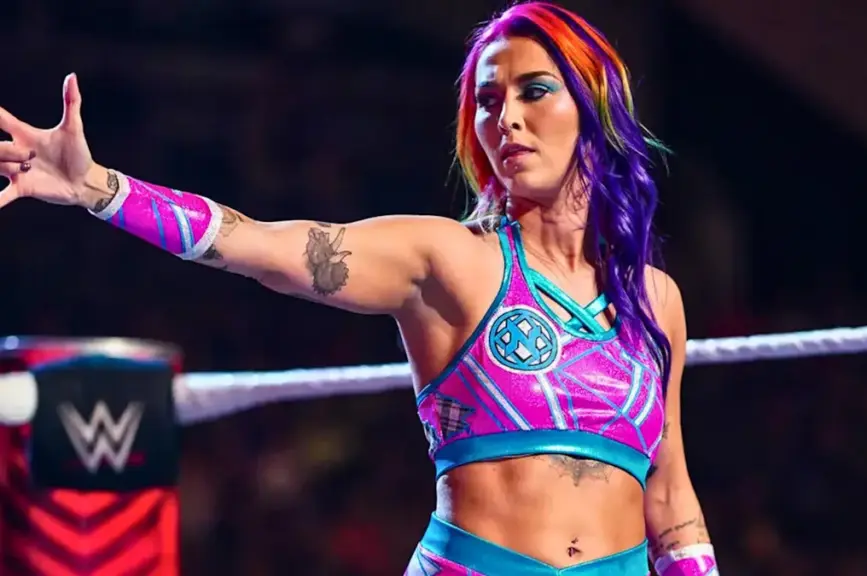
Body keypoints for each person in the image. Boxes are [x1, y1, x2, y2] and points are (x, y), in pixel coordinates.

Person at [0, 2, 716, 575]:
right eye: (488, 100)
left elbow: (669, 494)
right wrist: (97, 188)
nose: (507, 118)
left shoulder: (655, 300)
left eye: (535, 91)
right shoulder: (449, 259)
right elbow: (261, 245)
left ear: (594, 104)